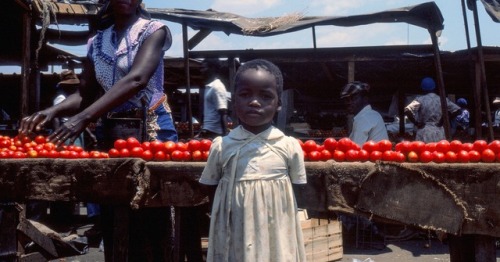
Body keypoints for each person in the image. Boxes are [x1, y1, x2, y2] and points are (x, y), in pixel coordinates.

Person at [20, 0, 176, 259]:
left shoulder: (154, 30)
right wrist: (52, 111)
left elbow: (137, 79)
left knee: (149, 212)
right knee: (113, 210)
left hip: (152, 130)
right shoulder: (97, 42)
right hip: (113, 133)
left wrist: (82, 118)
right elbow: (86, 92)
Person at [199, 59, 307, 261]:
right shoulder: (222, 146)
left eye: (265, 96)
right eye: (245, 94)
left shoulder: (289, 146)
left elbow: (299, 189)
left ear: (279, 104)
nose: (254, 102)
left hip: (277, 229)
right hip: (235, 230)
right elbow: (210, 187)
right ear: (233, 100)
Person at [405, 77, 461, 143]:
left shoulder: (420, 100)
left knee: (424, 151)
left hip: (424, 130)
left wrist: (416, 123)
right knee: (439, 151)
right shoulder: (442, 99)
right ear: (434, 87)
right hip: (438, 129)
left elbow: (407, 110)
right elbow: (457, 110)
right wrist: (444, 120)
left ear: (422, 88)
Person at [340, 81, 389, 147]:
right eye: (346, 100)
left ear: (365, 99)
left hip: (373, 156)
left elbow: (355, 149)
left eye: (354, 98)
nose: (349, 102)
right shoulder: (373, 114)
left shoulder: (364, 117)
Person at [199, 58, 230, 139]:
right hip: (207, 130)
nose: (201, 71)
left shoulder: (217, 87)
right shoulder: (209, 87)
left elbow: (223, 112)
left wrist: (225, 134)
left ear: (212, 69)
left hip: (215, 133)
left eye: (203, 68)